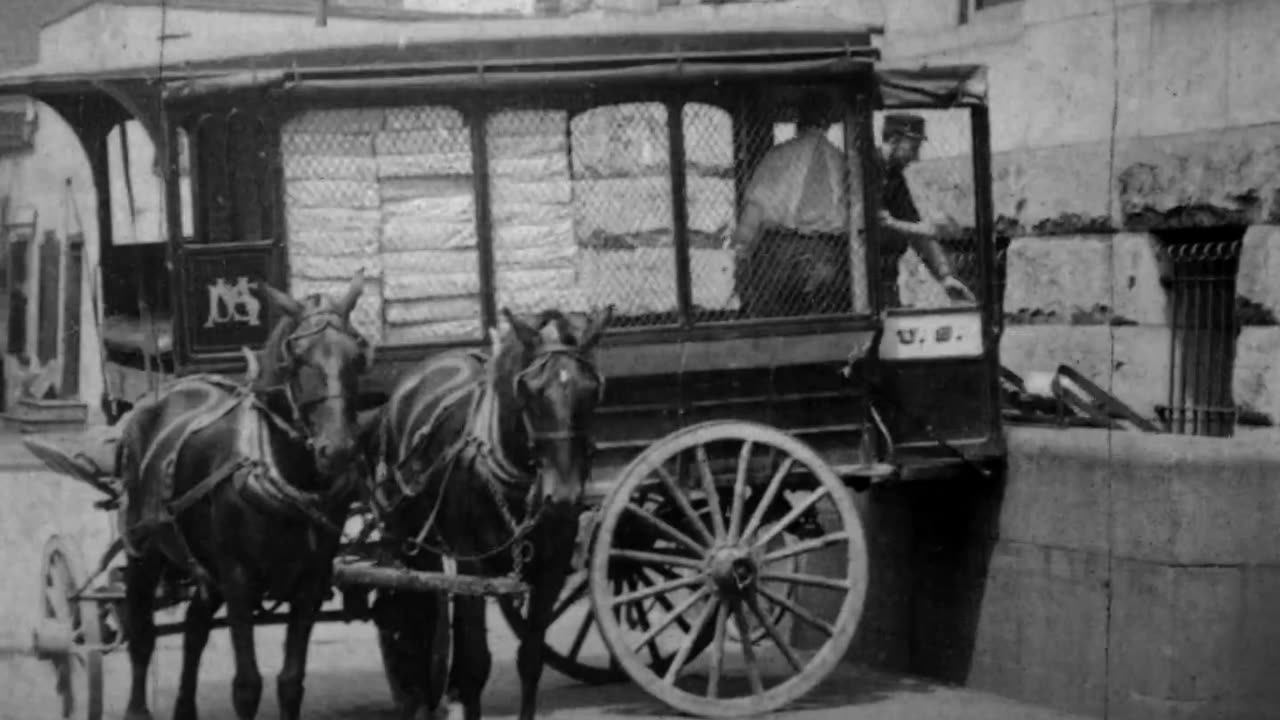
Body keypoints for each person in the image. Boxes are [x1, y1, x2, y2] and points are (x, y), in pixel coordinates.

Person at [730, 92, 974, 316]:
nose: (918, 156)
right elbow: (884, 223)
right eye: (914, 146)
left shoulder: (779, 156)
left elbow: (754, 210)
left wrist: (944, 274)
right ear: (896, 139)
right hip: (839, 268)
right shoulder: (847, 163)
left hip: (789, 264)